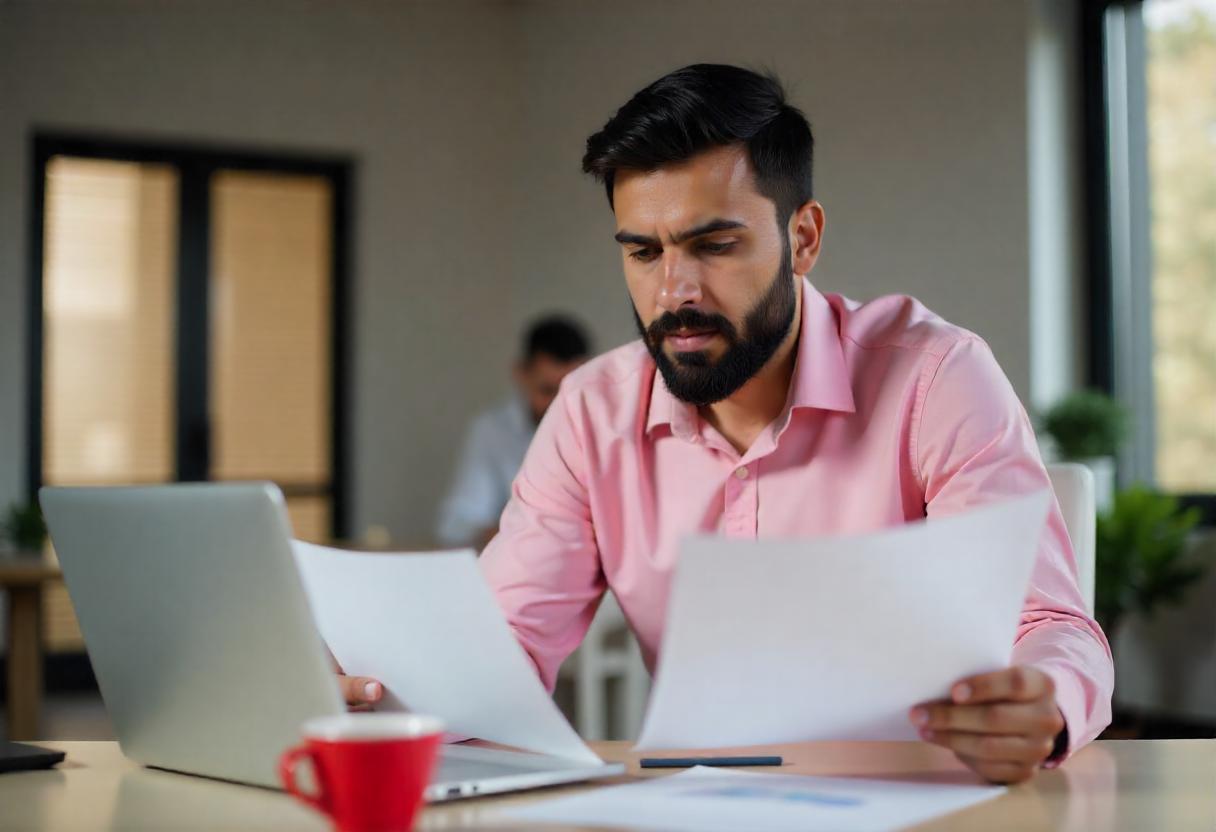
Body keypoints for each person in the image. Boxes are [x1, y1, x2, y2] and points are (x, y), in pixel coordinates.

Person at [345, 64, 1113, 784]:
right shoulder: (591, 412)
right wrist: (381, 696)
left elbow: (1048, 621)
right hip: (691, 805)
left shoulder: (934, 378)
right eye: (643, 252)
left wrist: (1040, 700)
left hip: (921, 800)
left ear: (803, 238)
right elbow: (498, 655)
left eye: (713, 246)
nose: (674, 290)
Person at [435, 316, 590, 549]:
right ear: (522, 373)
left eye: (569, 391)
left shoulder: (608, 431)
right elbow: (456, 524)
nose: (559, 404)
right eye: (548, 390)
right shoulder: (492, 431)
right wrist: (526, 529)